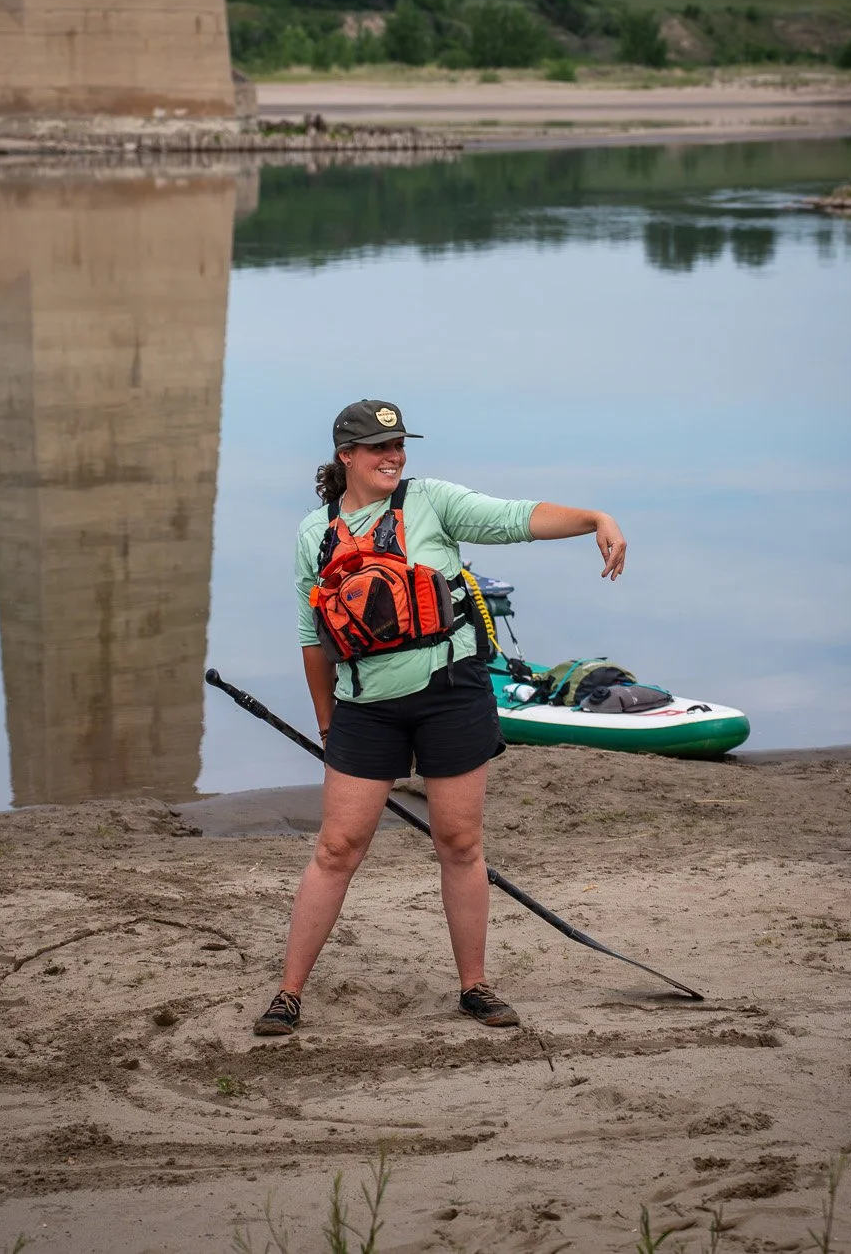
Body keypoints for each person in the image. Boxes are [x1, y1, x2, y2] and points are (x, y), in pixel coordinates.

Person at [251, 400, 628, 1037]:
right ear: (347, 458)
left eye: (398, 445)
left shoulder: (433, 502)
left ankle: (474, 986)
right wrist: (326, 723)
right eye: (377, 447)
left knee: (459, 842)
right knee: (337, 848)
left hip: (452, 694)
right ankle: (288, 993)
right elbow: (310, 636)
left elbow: (516, 519)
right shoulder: (314, 532)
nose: (392, 456)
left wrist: (595, 517)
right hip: (364, 708)